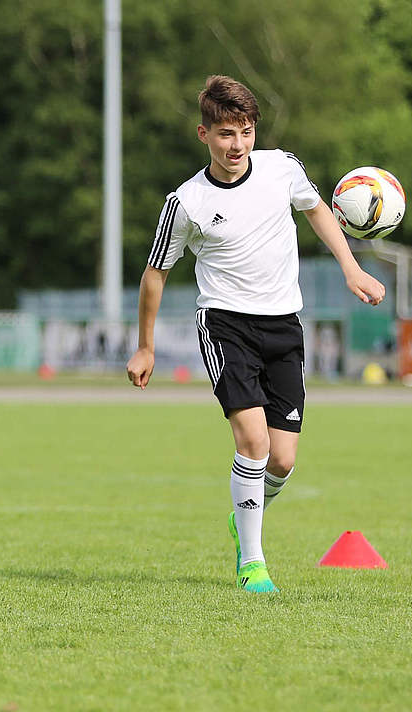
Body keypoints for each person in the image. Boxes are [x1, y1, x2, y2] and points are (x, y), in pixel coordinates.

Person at [125, 75, 384, 593]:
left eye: (245, 132)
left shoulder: (282, 169)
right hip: (225, 325)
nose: (237, 145)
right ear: (204, 135)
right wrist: (146, 345)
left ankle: (246, 513)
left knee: (283, 461)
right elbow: (155, 274)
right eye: (225, 134)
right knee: (253, 440)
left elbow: (316, 210)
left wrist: (352, 268)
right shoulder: (186, 203)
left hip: (285, 324)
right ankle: (253, 560)